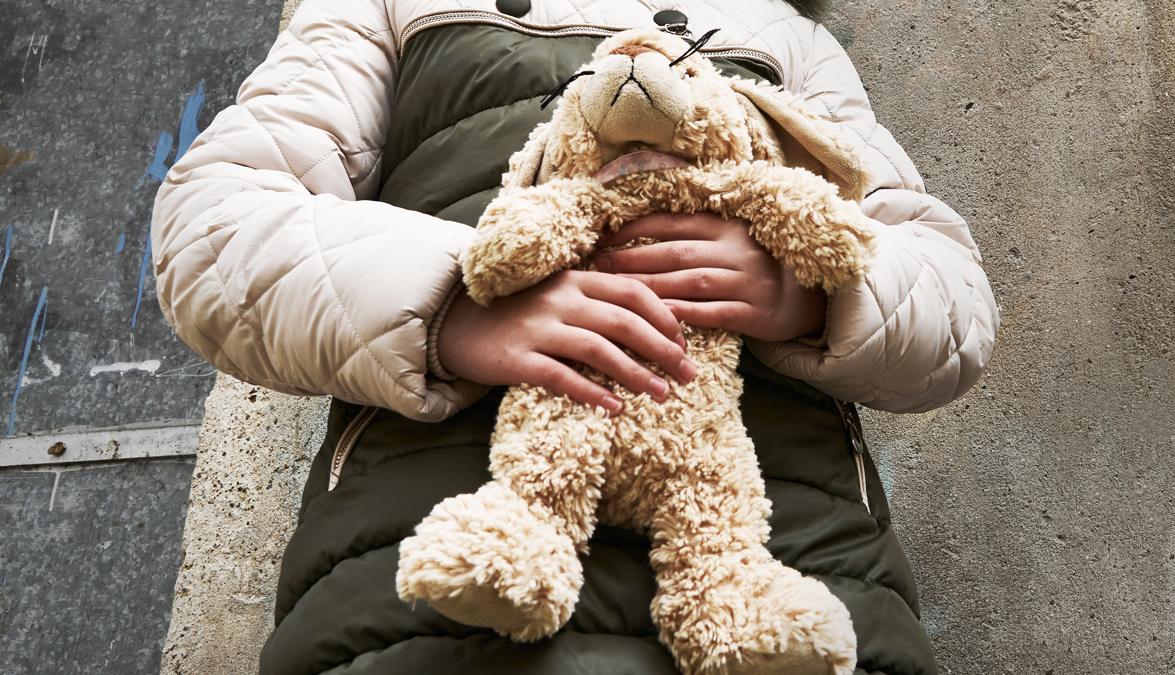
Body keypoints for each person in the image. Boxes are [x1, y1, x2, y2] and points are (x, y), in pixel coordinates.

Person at [152, 0, 999, 673]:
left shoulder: (789, 37)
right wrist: (459, 295)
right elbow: (212, 227)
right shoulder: (392, 6)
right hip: (449, 519)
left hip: (787, 537)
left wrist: (808, 290)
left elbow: (956, 297)